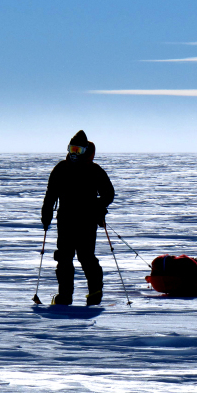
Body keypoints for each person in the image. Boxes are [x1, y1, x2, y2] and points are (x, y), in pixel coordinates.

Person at [41, 130, 115, 306]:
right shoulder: (60, 169)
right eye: (72, 149)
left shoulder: (94, 170)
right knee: (64, 258)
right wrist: (46, 213)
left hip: (87, 221)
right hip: (65, 220)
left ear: (85, 151)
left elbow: (109, 193)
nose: (74, 153)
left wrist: (98, 206)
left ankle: (95, 294)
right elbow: (50, 194)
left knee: (86, 257)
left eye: (78, 150)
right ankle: (64, 296)